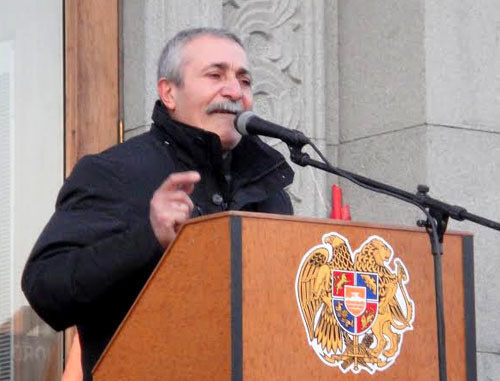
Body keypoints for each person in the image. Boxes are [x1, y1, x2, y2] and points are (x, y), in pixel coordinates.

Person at [21, 27, 294, 380]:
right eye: (216, 75)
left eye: (244, 80)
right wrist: (148, 237)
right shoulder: (113, 172)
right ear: (169, 92)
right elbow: (45, 287)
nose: (234, 91)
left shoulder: (268, 188)